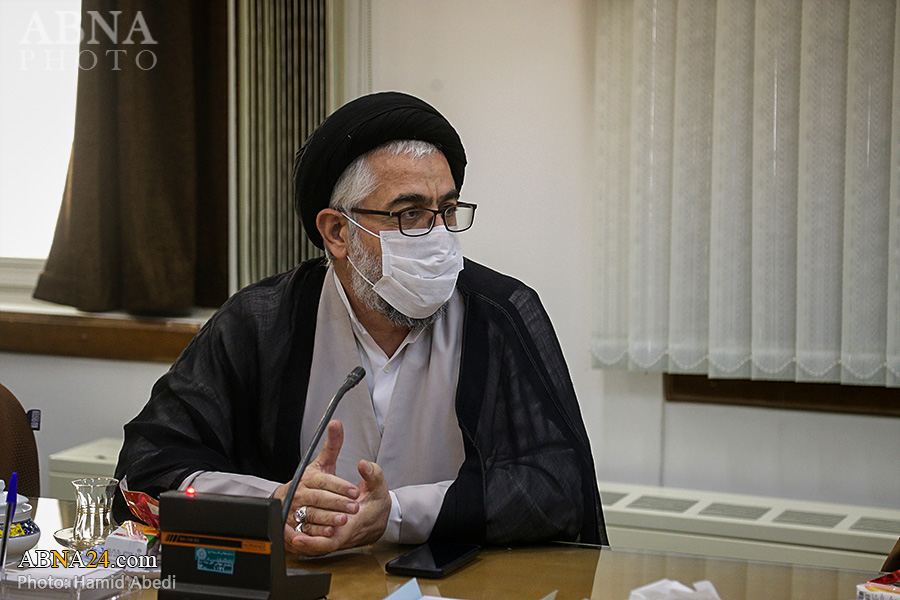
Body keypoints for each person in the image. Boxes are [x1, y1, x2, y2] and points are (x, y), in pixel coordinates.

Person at [114, 91, 607, 556]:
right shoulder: (261, 321)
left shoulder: (501, 314)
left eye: (447, 210)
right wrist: (274, 502)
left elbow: (559, 486)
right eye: (410, 214)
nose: (438, 236)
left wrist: (396, 514)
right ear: (337, 232)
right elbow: (149, 465)